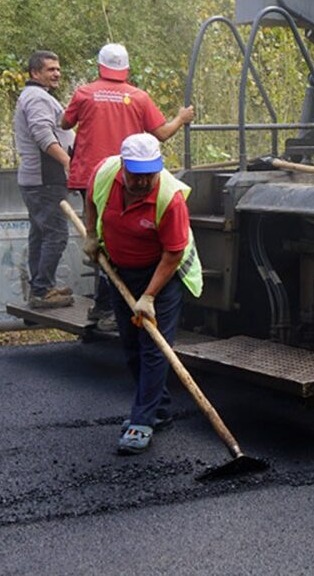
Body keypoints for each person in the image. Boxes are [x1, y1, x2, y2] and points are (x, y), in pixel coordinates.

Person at [81, 134, 203, 455]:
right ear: (123, 167)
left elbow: (173, 253)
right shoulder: (105, 174)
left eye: (150, 173)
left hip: (161, 276)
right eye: (136, 174)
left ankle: (142, 421)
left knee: (153, 347)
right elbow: (91, 200)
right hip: (120, 271)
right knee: (131, 345)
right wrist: (91, 235)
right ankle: (159, 409)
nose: (143, 181)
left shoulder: (169, 198)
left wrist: (148, 296)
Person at [63, 43, 194, 332]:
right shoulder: (138, 97)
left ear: (100, 67)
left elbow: (64, 122)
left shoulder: (84, 93)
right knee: (114, 243)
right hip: (125, 178)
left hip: (94, 175)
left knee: (102, 241)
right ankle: (110, 307)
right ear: (126, 70)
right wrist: (181, 118)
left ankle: (103, 306)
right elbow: (161, 133)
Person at [14, 50, 75, 309]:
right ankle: (42, 290)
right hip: (44, 179)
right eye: (50, 69)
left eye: (58, 68)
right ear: (35, 73)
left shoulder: (35, 96)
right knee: (57, 233)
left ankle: (42, 286)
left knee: (40, 233)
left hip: (37, 180)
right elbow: (43, 136)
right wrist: (68, 161)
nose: (57, 73)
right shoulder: (37, 99)